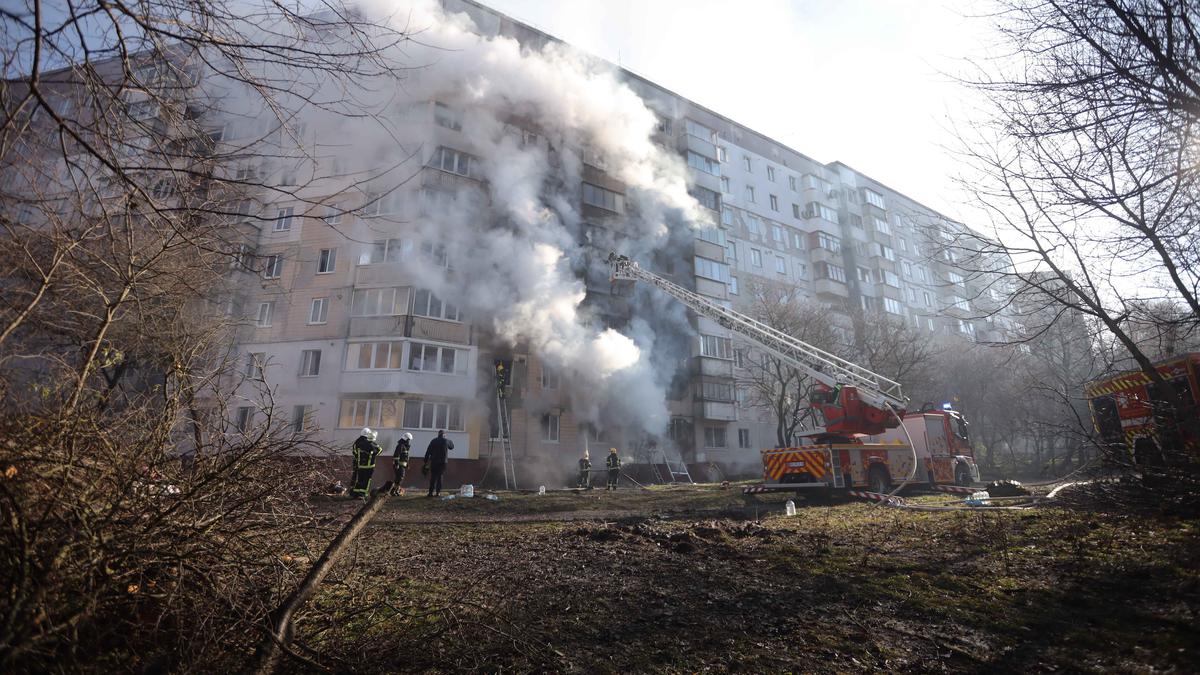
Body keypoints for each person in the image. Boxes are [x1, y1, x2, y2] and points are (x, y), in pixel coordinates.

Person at [350, 428, 382, 500]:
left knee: (358, 478)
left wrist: (359, 459)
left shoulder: (358, 442)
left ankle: (355, 493)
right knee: (366, 480)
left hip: (359, 463)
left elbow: (354, 452)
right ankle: (362, 494)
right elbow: (380, 450)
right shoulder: (370, 443)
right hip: (369, 465)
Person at [424, 429, 453, 497]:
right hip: (443, 462)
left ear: (438, 434)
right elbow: (452, 447)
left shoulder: (433, 441)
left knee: (433, 477)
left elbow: (428, 451)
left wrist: (425, 460)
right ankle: (438, 492)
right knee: (440, 476)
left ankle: (430, 492)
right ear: (444, 435)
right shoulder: (446, 441)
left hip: (434, 462)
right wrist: (446, 439)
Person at [390, 432, 412, 496]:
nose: (409, 441)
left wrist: (407, 464)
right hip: (399, 465)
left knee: (399, 478)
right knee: (399, 478)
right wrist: (396, 464)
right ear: (406, 439)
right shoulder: (400, 446)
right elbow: (396, 456)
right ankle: (393, 491)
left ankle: (395, 490)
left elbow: (405, 457)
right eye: (409, 440)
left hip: (402, 465)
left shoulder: (405, 446)